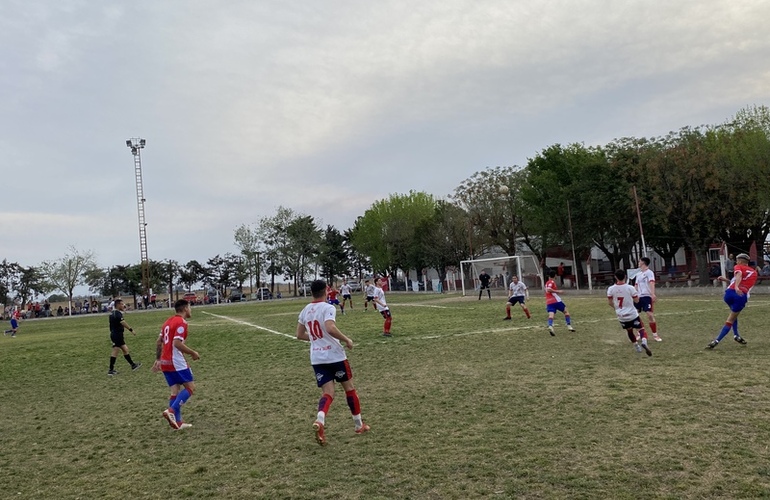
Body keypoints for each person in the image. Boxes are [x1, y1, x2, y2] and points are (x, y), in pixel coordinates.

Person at [296, 279, 370, 446]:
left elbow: (299, 335)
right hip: (335, 356)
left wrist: (316, 338)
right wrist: (347, 339)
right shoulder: (328, 307)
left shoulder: (305, 310)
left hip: (317, 358)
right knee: (349, 389)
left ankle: (320, 420)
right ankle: (359, 425)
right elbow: (330, 327)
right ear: (325, 291)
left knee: (328, 393)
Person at [153, 299, 200, 430]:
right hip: (176, 361)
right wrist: (193, 353)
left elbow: (158, 341)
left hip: (165, 361)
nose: (190, 310)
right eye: (190, 307)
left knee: (175, 390)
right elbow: (177, 343)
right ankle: (171, 411)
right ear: (185, 308)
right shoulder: (181, 322)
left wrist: (158, 359)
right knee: (190, 388)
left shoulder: (167, 322)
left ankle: (177, 422)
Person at [707, 253, 757, 349]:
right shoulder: (754, 272)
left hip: (729, 294)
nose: (736, 262)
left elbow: (739, 275)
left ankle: (736, 335)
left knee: (733, 315)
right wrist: (728, 281)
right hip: (741, 296)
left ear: (741, 261)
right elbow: (740, 279)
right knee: (731, 318)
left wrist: (736, 286)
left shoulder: (738, 267)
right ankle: (716, 341)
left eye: (737, 260)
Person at [607, 269, 653, 356]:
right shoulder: (630, 288)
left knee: (629, 330)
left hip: (621, 315)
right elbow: (636, 300)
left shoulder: (611, 289)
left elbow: (609, 302)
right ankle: (644, 341)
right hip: (632, 314)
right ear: (625, 276)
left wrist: (616, 308)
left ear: (615, 277)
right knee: (640, 328)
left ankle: (636, 346)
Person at [107, 299, 142, 375]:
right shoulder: (117, 314)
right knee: (115, 351)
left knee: (125, 349)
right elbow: (123, 322)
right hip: (117, 335)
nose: (123, 306)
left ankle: (133, 365)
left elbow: (111, 326)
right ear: (118, 305)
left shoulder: (112, 313)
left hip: (115, 335)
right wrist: (131, 330)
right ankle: (111, 370)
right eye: (122, 304)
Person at [635, 257, 661, 342]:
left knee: (650, 315)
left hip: (646, 296)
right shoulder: (638, 274)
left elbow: (652, 283)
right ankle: (639, 332)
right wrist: (634, 295)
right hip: (638, 297)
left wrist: (652, 294)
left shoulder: (649, 273)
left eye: (639, 261)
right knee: (635, 315)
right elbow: (636, 285)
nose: (638, 262)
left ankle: (655, 335)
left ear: (643, 263)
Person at [545, 270, 575, 336]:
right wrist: (558, 291)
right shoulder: (551, 282)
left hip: (549, 302)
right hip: (556, 301)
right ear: (555, 275)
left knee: (551, 315)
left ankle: (550, 326)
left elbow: (548, 289)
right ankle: (569, 326)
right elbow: (549, 289)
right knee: (566, 312)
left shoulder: (547, 282)